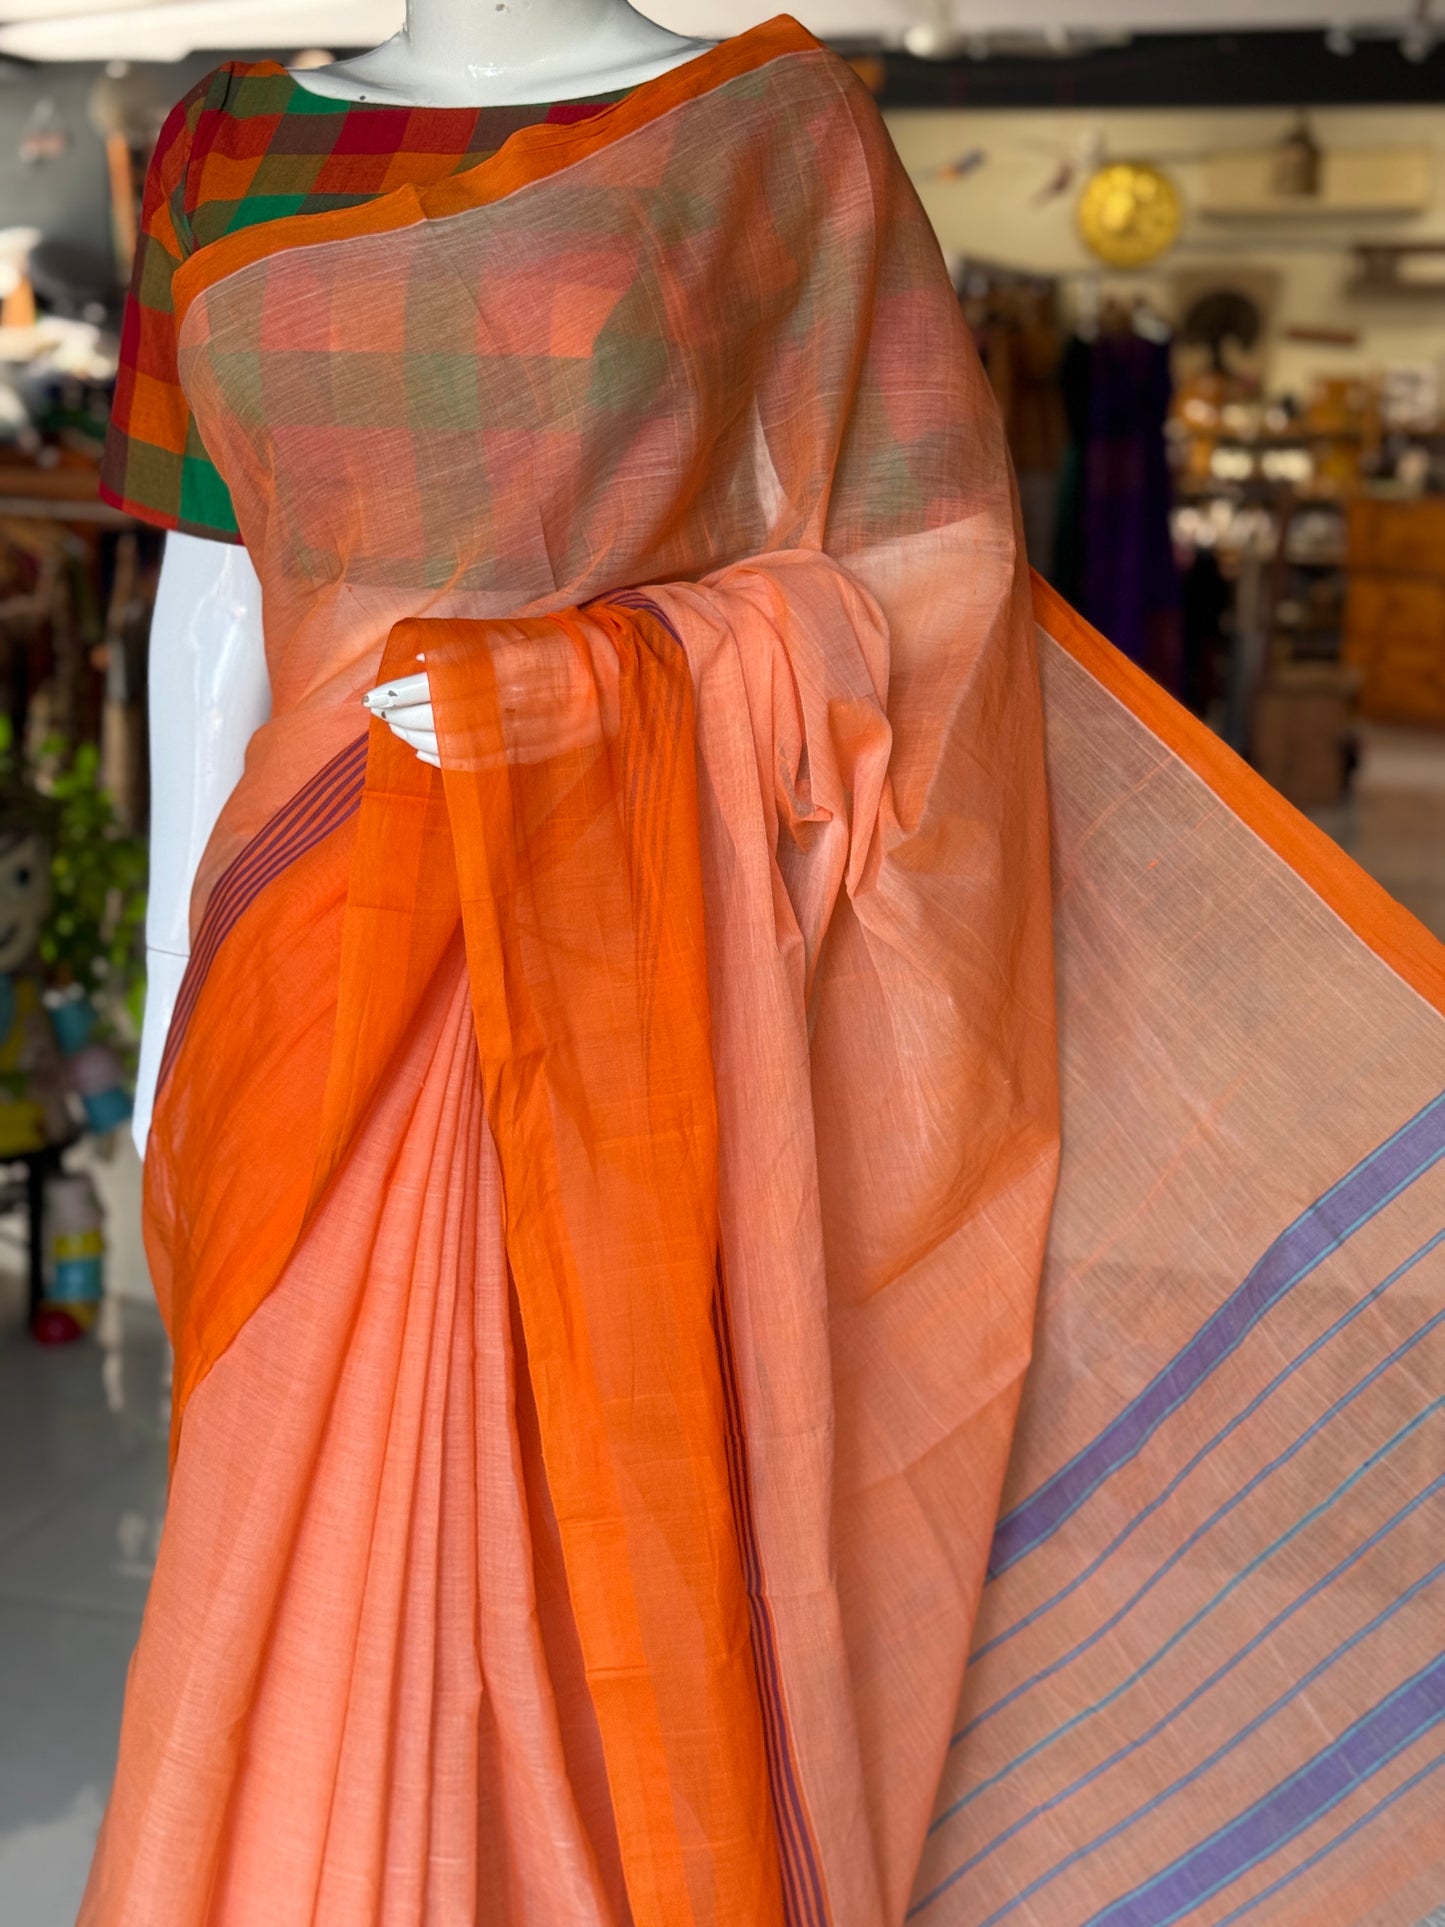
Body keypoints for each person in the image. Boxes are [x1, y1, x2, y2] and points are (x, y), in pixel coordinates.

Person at [85, 7, 1445, 1924]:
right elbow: (212, 583)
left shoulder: (769, 132)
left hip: (632, 961)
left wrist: (592, 686)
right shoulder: (221, 138)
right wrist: (174, 1006)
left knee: (593, 1554)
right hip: (302, 956)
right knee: (285, 1545)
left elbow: (926, 587)